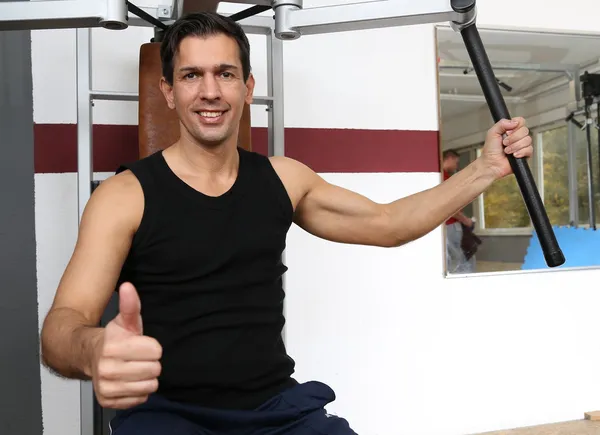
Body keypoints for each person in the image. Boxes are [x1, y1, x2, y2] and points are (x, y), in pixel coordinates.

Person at [39, 11, 533, 435]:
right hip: (167, 412)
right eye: (191, 76)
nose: (210, 92)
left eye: (225, 74)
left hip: (274, 409)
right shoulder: (123, 196)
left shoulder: (284, 179)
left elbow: (388, 223)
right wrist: (94, 347)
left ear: (248, 87)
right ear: (167, 91)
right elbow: (61, 327)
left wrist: (485, 168)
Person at [442, 149, 477, 273]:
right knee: (463, 259)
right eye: (456, 163)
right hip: (451, 225)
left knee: (453, 258)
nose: (456, 166)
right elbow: (449, 207)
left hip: (447, 225)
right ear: (449, 158)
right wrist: (466, 221)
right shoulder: (444, 179)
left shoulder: (440, 178)